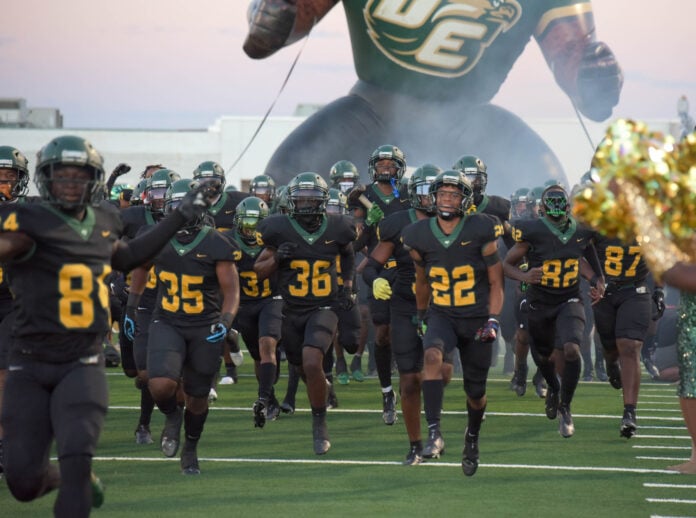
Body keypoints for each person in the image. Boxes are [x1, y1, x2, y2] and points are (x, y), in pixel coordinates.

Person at [0, 135, 210, 515]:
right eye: (60, 175)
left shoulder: (105, 219)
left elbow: (127, 257)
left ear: (92, 180)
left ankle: (76, 477)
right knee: (22, 482)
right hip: (28, 363)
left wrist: (179, 216)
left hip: (82, 362)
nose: (69, 183)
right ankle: (64, 477)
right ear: (44, 179)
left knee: (77, 462)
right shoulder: (26, 220)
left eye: (78, 175)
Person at [243, 1, 622, 190]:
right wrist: (272, 19)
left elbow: (574, 55)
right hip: (376, 105)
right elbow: (284, 21)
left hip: (466, 114)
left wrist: (594, 76)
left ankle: (530, 307)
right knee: (288, 181)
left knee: (545, 189)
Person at [132, 178, 240, 475]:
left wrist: (226, 320)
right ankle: (171, 416)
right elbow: (139, 268)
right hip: (167, 320)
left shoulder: (216, 242)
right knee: (160, 384)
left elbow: (231, 291)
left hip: (204, 325)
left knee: (197, 395)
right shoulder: (157, 237)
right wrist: (131, 308)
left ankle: (190, 447)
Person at [403, 169, 504, 476]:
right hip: (442, 314)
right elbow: (422, 281)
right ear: (433, 198)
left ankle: (471, 438)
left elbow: (496, 281)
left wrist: (493, 319)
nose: (447, 199)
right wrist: (422, 315)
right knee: (431, 357)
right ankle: (434, 433)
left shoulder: (481, 229)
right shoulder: (417, 234)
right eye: (442, 194)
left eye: (453, 194)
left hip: (475, 318)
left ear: (465, 199)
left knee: (476, 393)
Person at [254, 172, 356, 455]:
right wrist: (276, 258)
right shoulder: (277, 228)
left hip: (324, 306)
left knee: (313, 361)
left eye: (313, 199)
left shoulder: (338, 227)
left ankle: (319, 423)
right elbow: (258, 271)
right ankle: (321, 392)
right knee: (300, 365)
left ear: (323, 201)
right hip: (291, 309)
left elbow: (348, 253)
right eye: (302, 199)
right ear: (292, 201)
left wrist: (347, 285)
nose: (307, 204)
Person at [503, 185, 604, 438]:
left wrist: (597, 281)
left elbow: (587, 257)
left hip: (570, 299)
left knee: (572, 349)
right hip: (540, 302)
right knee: (544, 358)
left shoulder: (580, 232)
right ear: (543, 210)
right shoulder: (533, 231)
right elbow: (506, 265)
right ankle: (553, 387)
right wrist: (525, 275)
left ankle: (566, 407)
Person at [362, 163, 442, 465]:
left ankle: (435, 429)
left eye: (439, 191)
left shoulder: (460, 223)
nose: (433, 198)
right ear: (413, 193)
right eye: (426, 190)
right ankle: (415, 443)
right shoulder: (398, 224)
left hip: (443, 308)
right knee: (409, 380)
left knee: (439, 371)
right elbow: (370, 265)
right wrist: (377, 278)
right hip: (405, 305)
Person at [349, 144, 410, 425]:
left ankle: (414, 382)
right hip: (379, 269)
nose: (386, 168)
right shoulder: (364, 197)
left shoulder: (408, 194)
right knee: (382, 333)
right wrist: (368, 227)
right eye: (381, 163)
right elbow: (356, 243)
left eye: (391, 163)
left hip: (408, 268)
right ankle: (387, 392)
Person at [591, 234, 660, 438]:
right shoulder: (597, 221)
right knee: (611, 348)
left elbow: (659, 258)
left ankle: (629, 411)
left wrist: (659, 291)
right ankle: (611, 363)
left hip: (636, 290)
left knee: (629, 346)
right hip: (605, 293)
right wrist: (594, 279)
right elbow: (579, 253)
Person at [223, 196, 283, 427]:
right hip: (244, 304)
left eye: (255, 223)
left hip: (271, 299)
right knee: (259, 357)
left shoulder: (274, 240)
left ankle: (263, 400)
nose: (250, 229)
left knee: (267, 345)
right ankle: (270, 396)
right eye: (246, 223)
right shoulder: (227, 241)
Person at [0, 145, 31, 478]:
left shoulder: (27, 213)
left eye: (8, 178)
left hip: (14, 299)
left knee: (4, 373)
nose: (2, 184)